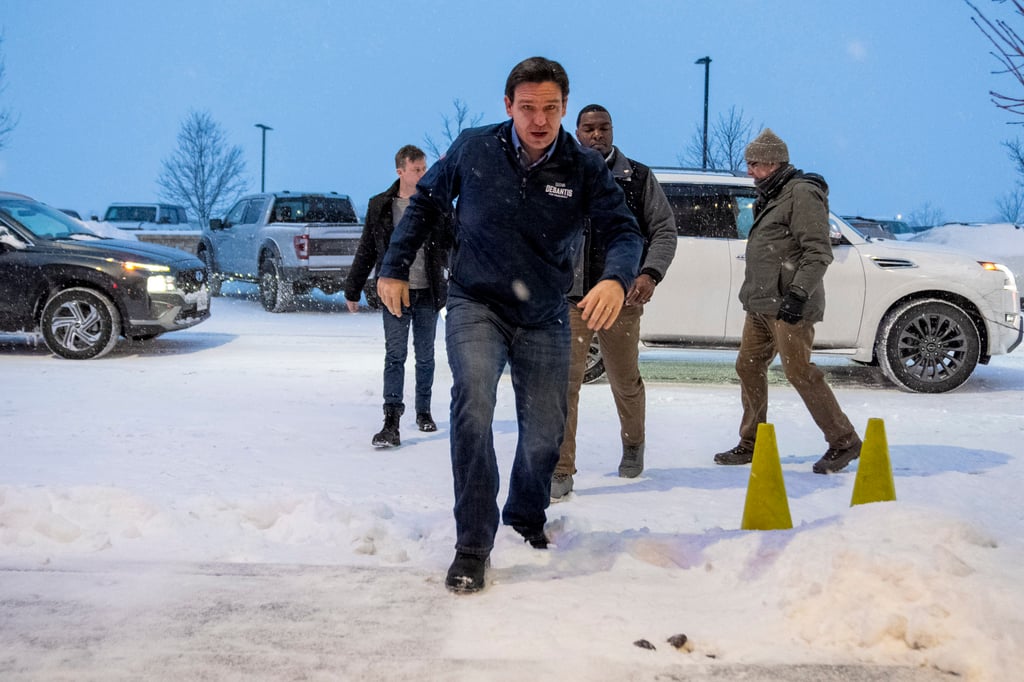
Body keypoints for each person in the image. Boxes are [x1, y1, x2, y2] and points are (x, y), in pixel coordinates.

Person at [377, 57, 643, 593]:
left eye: (550, 108)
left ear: (564, 108)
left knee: (546, 430)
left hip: (546, 312)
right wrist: (394, 265)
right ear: (507, 107)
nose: (539, 120)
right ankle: (473, 543)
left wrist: (616, 278)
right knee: (473, 403)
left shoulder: (583, 167)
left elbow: (625, 230)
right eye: (528, 108)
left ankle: (526, 514)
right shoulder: (474, 148)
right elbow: (425, 202)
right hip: (476, 302)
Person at [713, 128, 861, 474]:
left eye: (753, 164)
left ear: (772, 162)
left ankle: (844, 441)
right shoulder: (772, 193)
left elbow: (818, 252)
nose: (749, 171)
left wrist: (797, 294)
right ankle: (752, 442)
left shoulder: (802, 194)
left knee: (800, 373)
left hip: (789, 305)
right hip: (761, 305)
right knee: (748, 366)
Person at [550, 104, 677, 501]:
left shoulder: (636, 178)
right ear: (576, 131)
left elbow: (664, 231)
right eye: (589, 128)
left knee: (624, 380)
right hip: (571, 300)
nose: (597, 135)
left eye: (604, 128)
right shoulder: (559, 174)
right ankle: (561, 468)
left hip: (621, 298)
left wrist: (649, 273)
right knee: (564, 386)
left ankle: (633, 442)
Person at [344, 145, 449, 448]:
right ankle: (391, 420)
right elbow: (367, 249)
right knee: (395, 355)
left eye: (425, 169)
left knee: (426, 356)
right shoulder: (380, 206)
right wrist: (353, 289)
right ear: (400, 171)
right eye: (417, 170)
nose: (422, 174)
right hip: (393, 295)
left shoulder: (436, 204)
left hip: (428, 291)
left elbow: (453, 243)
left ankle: (424, 411)